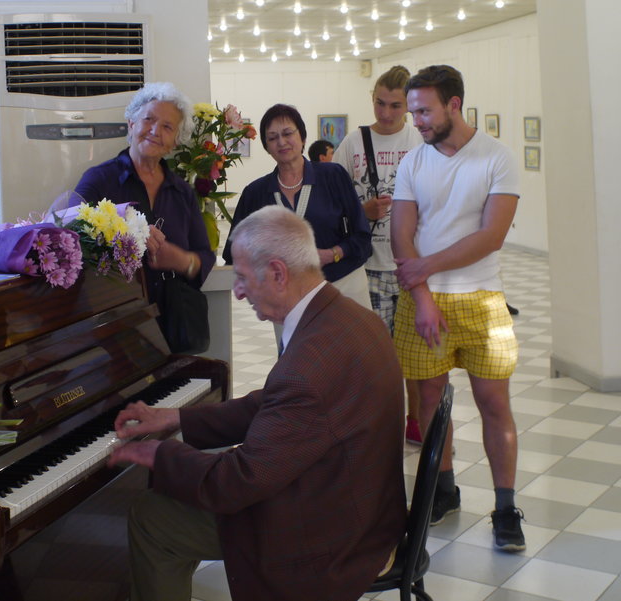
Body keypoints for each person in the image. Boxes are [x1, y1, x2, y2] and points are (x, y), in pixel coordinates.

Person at [110, 205, 406, 601]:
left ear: (279, 273)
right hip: (363, 511)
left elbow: (237, 482)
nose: (237, 291)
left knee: (153, 517)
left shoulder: (307, 368)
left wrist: (161, 455)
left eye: (243, 278)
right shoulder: (351, 317)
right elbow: (271, 404)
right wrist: (177, 417)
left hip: (330, 540)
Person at [391, 65, 525, 552]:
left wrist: (425, 267)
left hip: (483, 297)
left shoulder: (497, 157)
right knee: (429, 401)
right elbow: (401, 235)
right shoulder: (413, 162)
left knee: (494, 404)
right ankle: (442, 490)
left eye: (424, 111)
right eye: (413, 112)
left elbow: (491, 236)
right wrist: (424, 297)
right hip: (422, 301)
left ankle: (505, 508)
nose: (417, 121)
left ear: (454, 104)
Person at [73, 82, 214, 344]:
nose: (155, 131)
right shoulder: (99, 179)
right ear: (131, 124)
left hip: (173, 323)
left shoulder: (182, 192)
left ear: (175, 142)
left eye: (167, 127)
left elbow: (205, 255)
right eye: (148, 119)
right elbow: (67, 231)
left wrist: (182, 260)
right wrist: (126, 233)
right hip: (114, 324)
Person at [333, 64, 424, 445]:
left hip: (409, 265)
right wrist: (362, 211)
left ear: (408, 106)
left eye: (395, 105)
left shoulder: (419, 141)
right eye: (380, 103)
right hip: (367, 266)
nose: (386, 113)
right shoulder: (353, 143)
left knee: (415, 355)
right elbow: (333, 202)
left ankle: (416, 420)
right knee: (373, 356)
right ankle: (377, 423)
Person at [221, 104, 372, 310]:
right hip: (288, 296)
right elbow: (233, 253)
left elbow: (362, 237)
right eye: (272, 138)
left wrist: (332, 254)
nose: (281, 142)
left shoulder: (333, 176)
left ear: (302, 137)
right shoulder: (256, 193)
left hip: (343, 285)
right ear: (266, 146)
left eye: (287, 133)